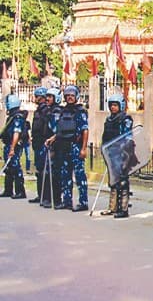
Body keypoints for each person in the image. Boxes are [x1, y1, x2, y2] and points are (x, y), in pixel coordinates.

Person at [48, 84, 90, 212]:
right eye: (67, 96)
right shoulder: (62, 111)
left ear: (76, 97)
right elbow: (60, 130)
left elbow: (85, 130)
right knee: (65, 176)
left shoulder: (80, 111)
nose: (70, 98)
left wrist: (83, 149)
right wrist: (53, 138)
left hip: (76, 147)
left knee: (79, 176)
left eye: (72, 95)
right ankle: (67, 201)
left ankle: (83, 203)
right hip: (63, 147)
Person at [100, 92, 133, 217]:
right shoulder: (108, 120)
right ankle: (112, 207)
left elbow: (128, 137)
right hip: (111, 154)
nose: (113, 107)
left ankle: (123, 209)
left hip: (122, 153)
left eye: (115, 105)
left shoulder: (126, 119)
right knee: (113, 181)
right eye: (111, 105)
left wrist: (126, 154)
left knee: (123, 181)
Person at [28, 87, 52, 205]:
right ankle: (40, 195)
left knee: (45, 171)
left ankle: (47, 197)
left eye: (37, 96)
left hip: (43, 144)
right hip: (37, 144)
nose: (35, 98)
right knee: (39, 170)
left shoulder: (46, 111)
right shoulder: (38, 111)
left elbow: (47, 129)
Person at [2, 93, 28, 200]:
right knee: (9, 168)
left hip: (14, 146)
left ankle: (20, 191)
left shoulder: (17, 117)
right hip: (8, 144)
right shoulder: (12, 116)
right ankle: (8, 190)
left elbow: (16, 133)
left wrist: (12, 148)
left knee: (16, 168)